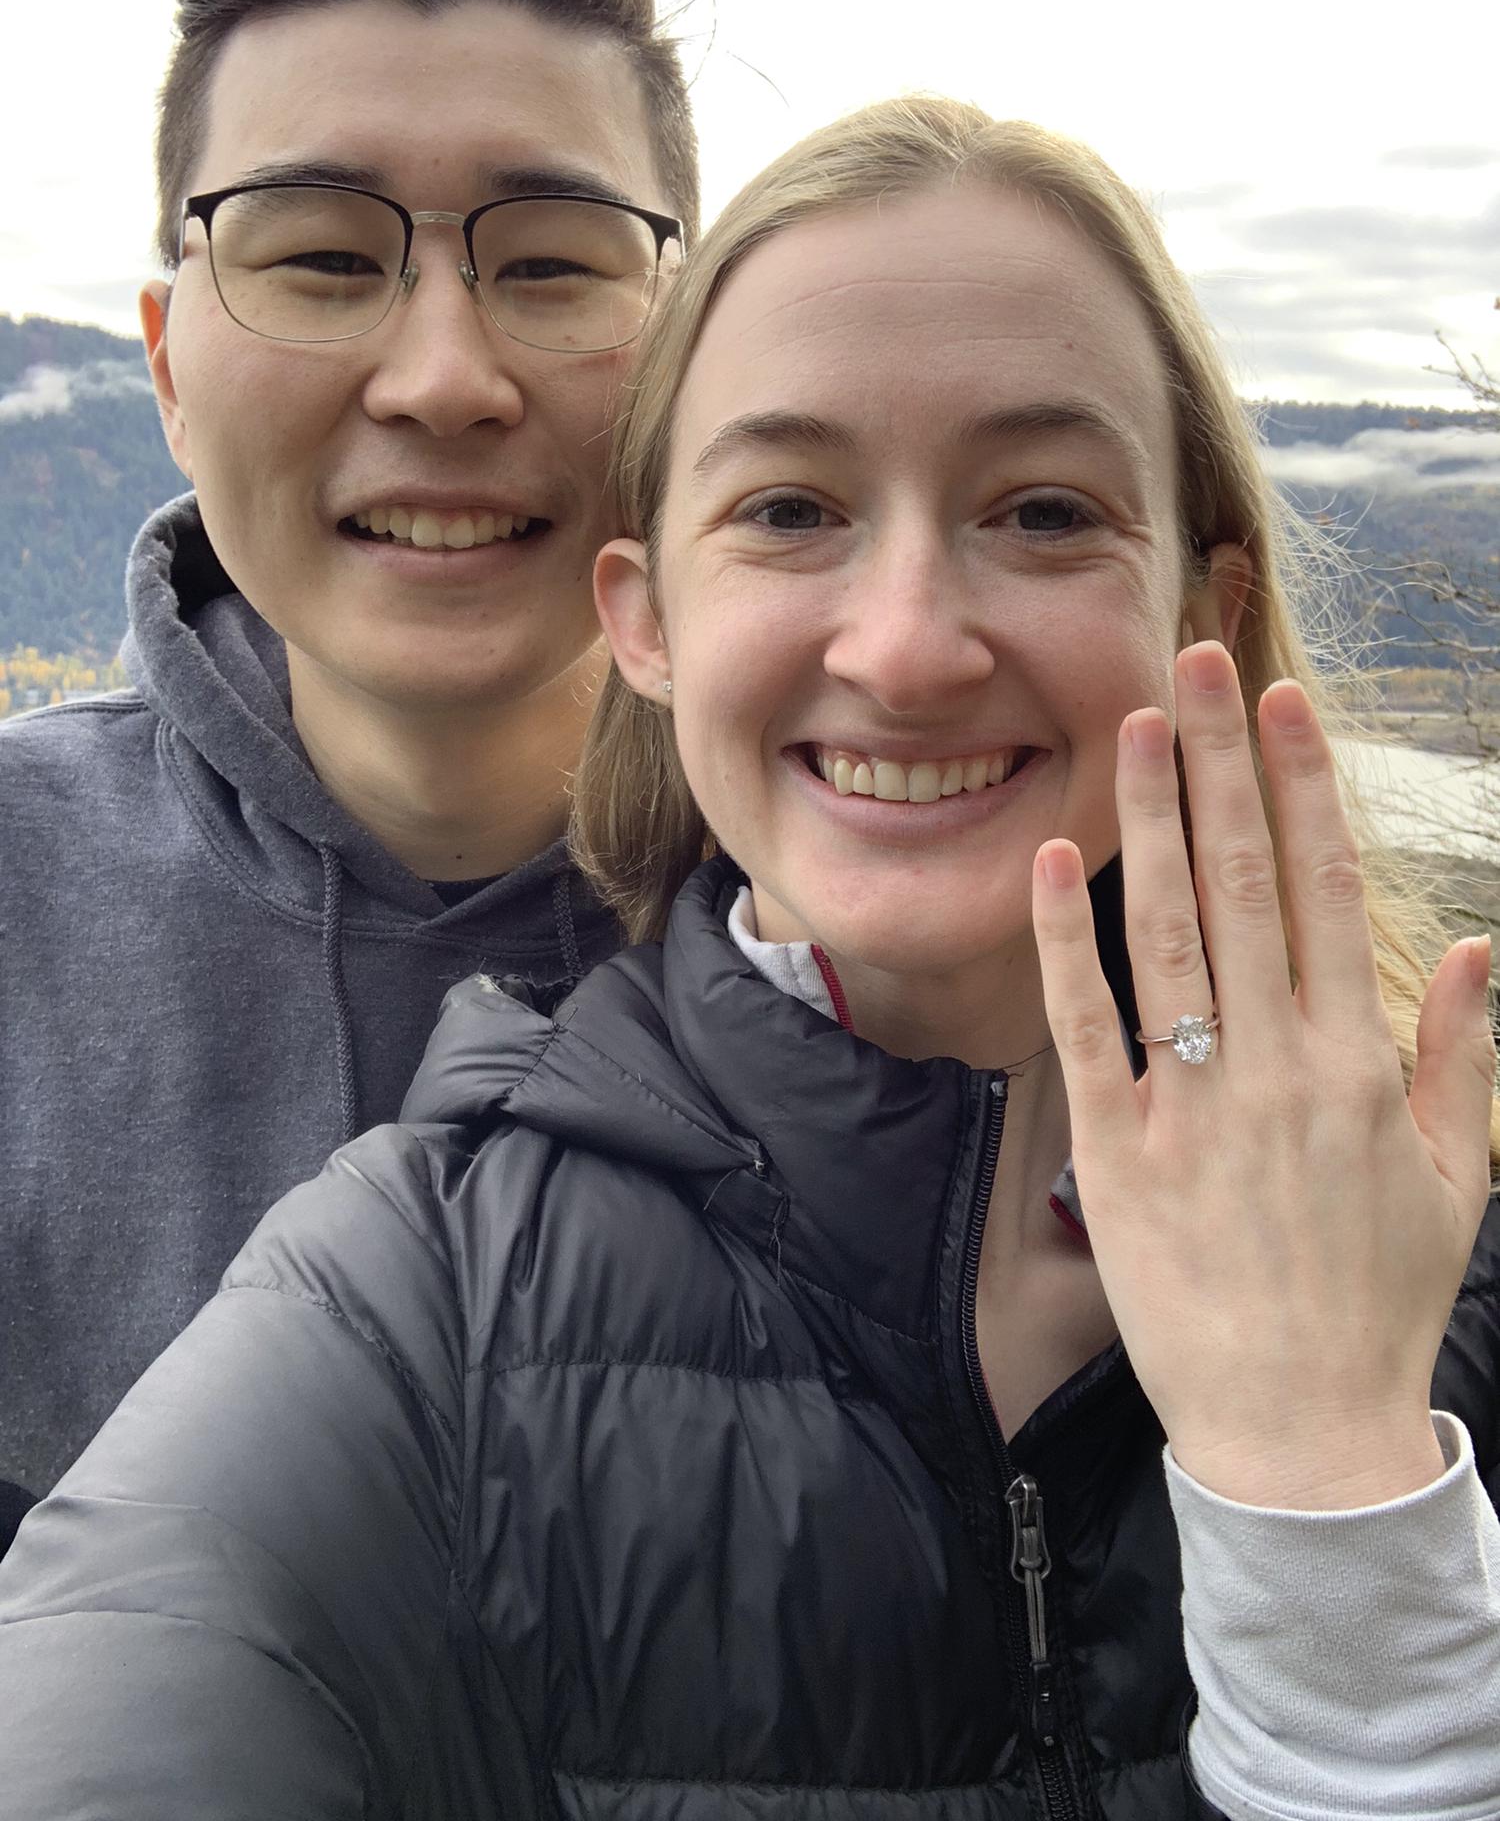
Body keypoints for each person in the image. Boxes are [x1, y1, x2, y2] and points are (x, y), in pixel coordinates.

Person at [2, 98, 1497, 1819]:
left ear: (1204, 609)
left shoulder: (1454, 1232)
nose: (914, 644)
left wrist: (1334, 1472)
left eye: (1043, 512)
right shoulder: (418, 1299)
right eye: (790, 511)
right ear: (644, 620)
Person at [0, 0, 696, 1510]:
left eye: (548, 261)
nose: (443, 378)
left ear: (694, 347)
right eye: (320, 257)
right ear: (167, 366)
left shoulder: (887, 924)